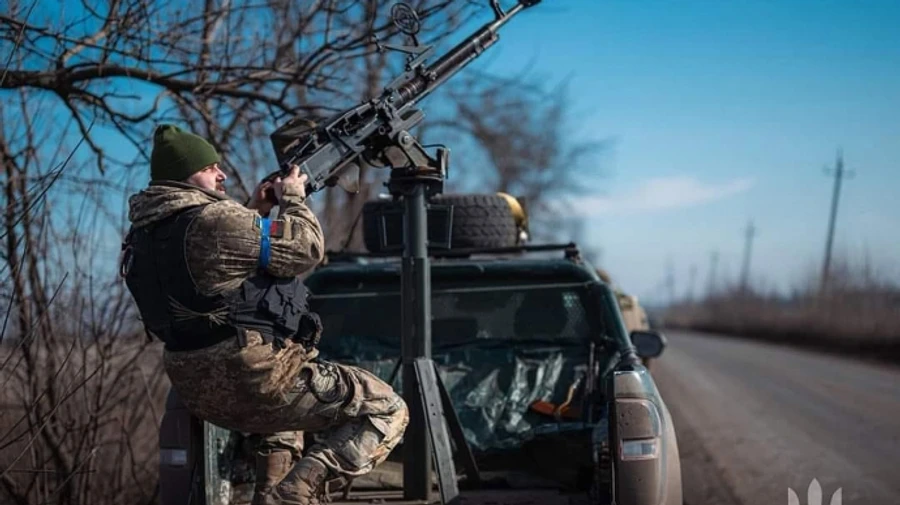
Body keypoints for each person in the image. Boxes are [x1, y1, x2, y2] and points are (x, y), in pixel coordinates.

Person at [120, 124, 408, 505]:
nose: (220, 174)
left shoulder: (143, 236)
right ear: (182, 175)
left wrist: (255, 212)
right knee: (388, 409)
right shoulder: (214, 219)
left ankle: (271, 496)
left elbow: (214, 272)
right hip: (255, 378)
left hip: (197, 391)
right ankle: (298, 488)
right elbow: (305, 249)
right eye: (209, 168)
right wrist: (292, 199)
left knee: (284, 425)